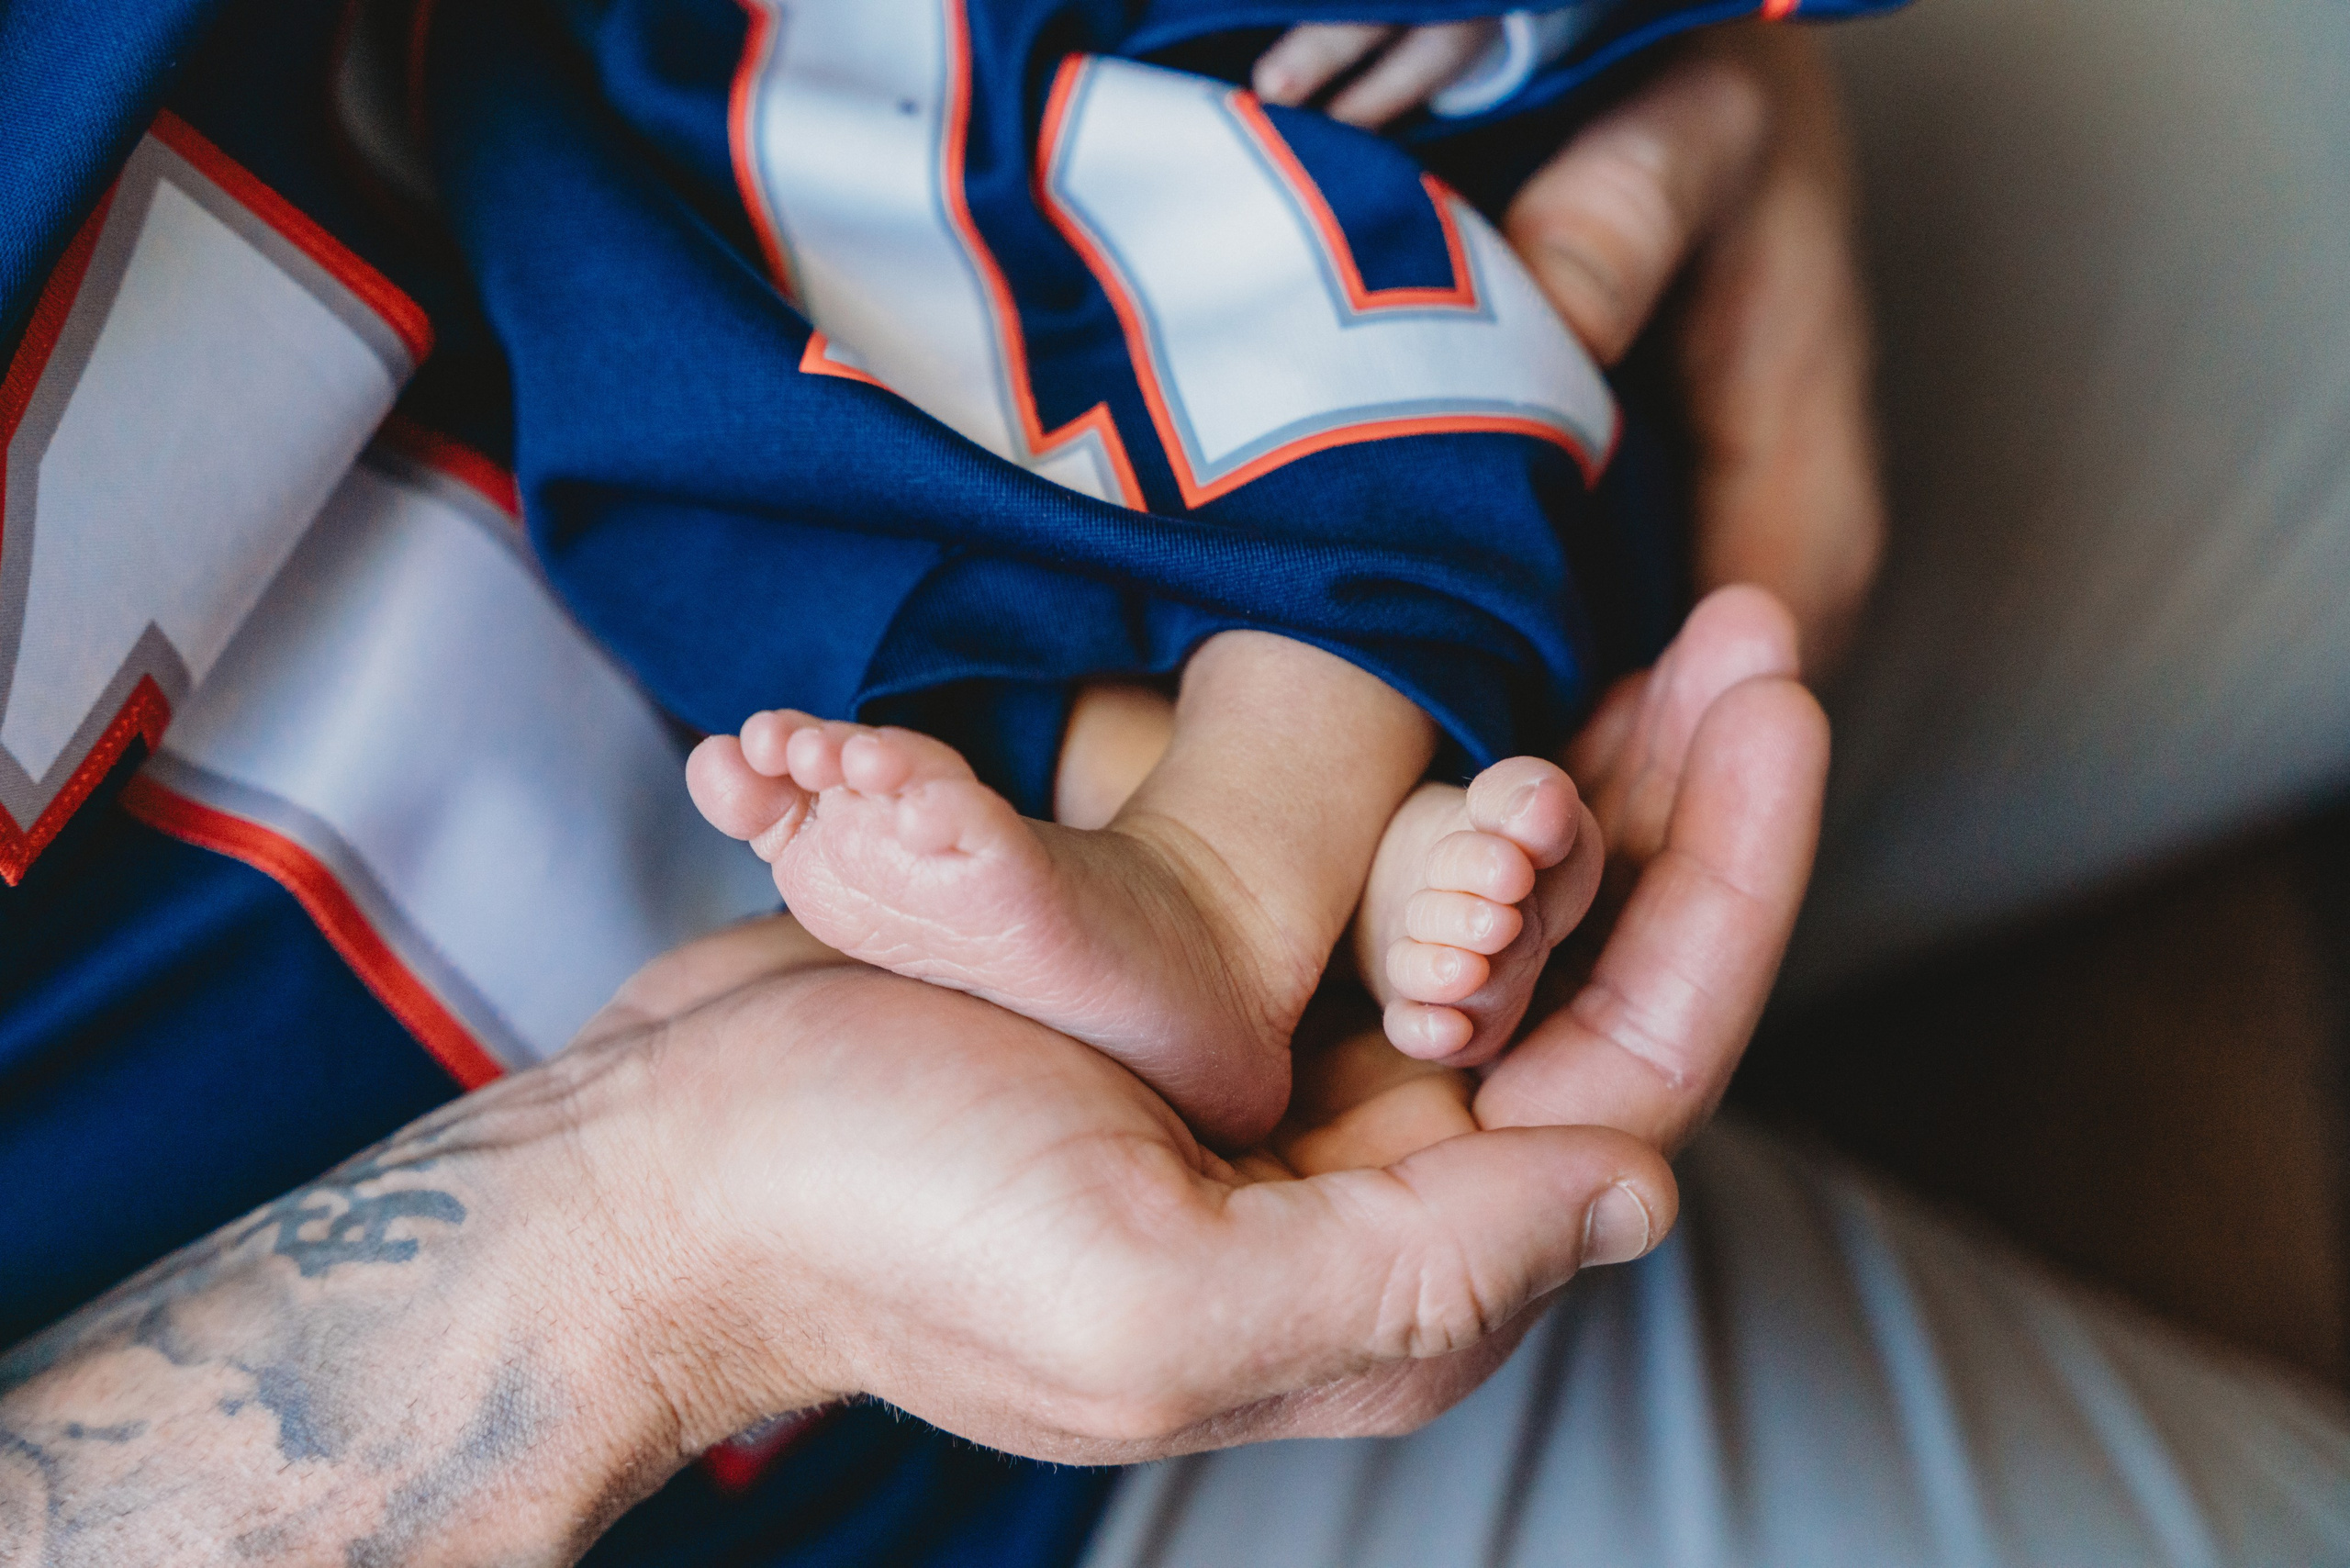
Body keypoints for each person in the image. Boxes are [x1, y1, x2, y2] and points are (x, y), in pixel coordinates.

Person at [6, 8, 2346, 1568]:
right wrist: (656, 1244)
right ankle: (1241, 870)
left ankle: (1266, 850)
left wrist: (1658, 54)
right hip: (907, 1426)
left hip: (1063, 257)